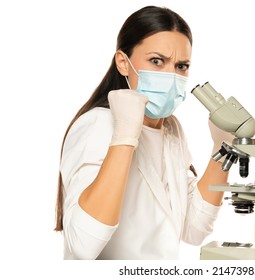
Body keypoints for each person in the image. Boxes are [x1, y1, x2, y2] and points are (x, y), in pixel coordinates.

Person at [54, 5, 234, 260]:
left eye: (181, 66)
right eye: (157, 61)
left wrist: (223, 149)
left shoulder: (171, 130)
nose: (171, 76)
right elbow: (83, 244)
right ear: (123, 63)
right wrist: (125, 138)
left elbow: (193, 229)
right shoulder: (96, 125)